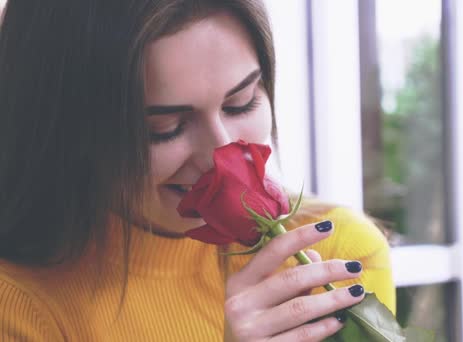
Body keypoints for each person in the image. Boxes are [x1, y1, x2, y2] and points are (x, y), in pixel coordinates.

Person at [0, 1, 395, 341]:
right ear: (65, 130)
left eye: (241, 103)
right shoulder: (19, 304)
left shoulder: (339, 253)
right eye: (163, 129)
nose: (220, 154)